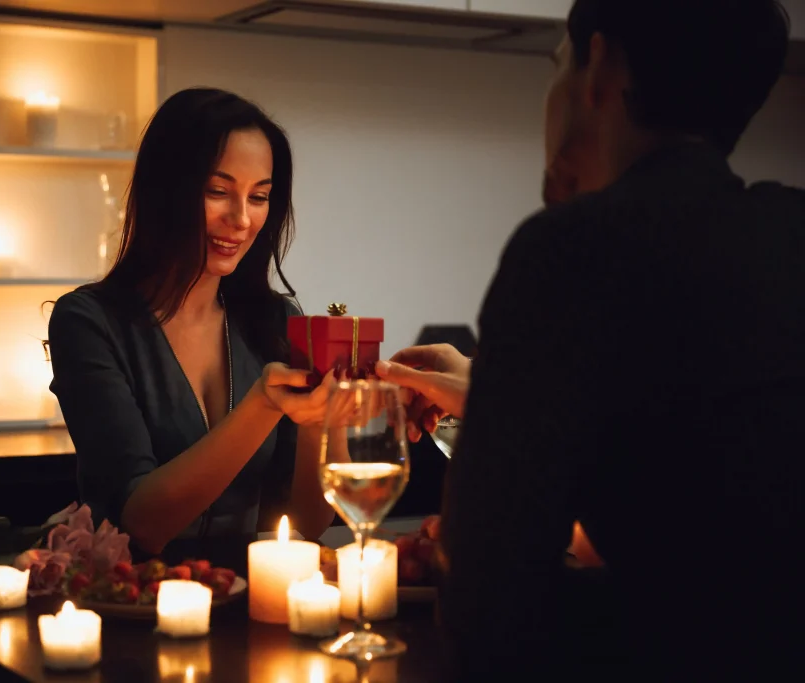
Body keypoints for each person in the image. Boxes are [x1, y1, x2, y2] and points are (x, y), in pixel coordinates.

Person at [378, 0, 803, 678]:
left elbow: (485, 597)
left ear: (599, 67)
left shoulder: (568, 252)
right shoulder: (787, 229)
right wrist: (487, 390)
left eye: (557, 65)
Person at [47, 88, 336, 565]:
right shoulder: (89, 321)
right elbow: (143, 522)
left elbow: (308, 520)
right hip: (130, 606)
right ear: (166, 190)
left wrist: (328, 420)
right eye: (217, 192)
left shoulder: (275, 321)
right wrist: (262, 404)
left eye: (259, 197)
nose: (241, 219)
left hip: (245, 602)